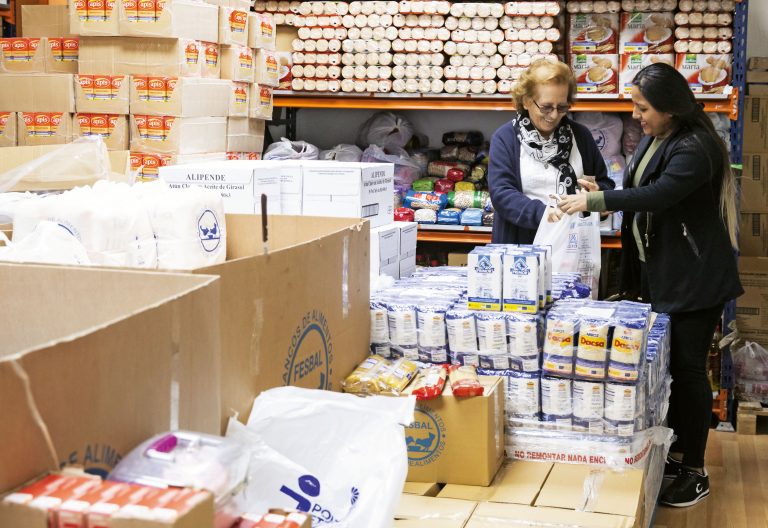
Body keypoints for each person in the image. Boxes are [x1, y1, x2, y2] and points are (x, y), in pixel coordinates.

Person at [556, 62, 743, 508]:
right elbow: (641, 187)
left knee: (690, 372)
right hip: (666, 273)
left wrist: (595, 200)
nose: (635, 115)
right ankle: (676, 454)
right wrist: (600, 187)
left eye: (642, 107)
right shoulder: (661, 138)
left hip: (695, 278)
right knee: (673, 370)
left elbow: (659, 196)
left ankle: (695, 469)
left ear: (670, 108)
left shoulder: (696, 146)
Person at [487, 59, 615, 244]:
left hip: (571, 245)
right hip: (520, 247)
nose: (554, 115)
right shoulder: (506, 138)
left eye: (562, 107)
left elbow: (604, 183)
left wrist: (598, 195)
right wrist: (545, 213)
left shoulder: (580, 136)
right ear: (526, 101)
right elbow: (502, 194)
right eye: (546, 107)